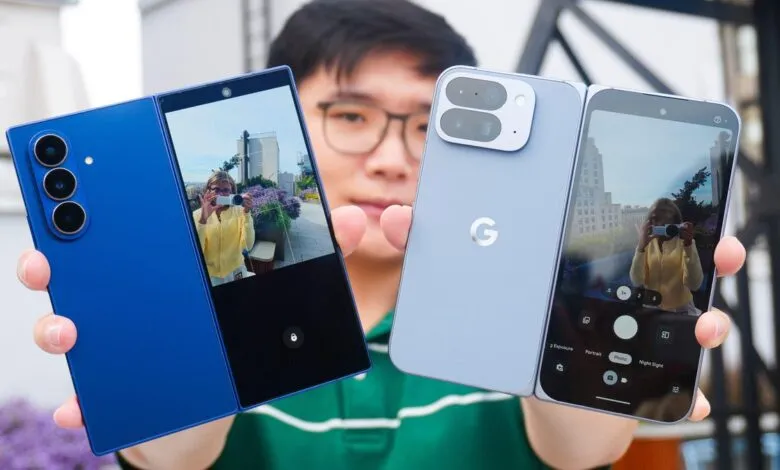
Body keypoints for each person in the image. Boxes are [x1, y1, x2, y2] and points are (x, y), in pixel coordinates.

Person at [16, 1, 746, 469]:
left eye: (431, 126)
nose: (394, 158)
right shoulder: (227, 294)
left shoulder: (509, 304)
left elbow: (584, 448)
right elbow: (171, 457)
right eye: (351, 116)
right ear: (284, 118)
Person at [631, 197, 704, 314]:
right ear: (649, 221)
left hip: (681, 309)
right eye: (655, 218)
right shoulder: (647, 243)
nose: (661, 223)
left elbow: (695, 284)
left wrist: (688, 245)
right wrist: (641, 247)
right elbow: (636, 280)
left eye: (667, 218)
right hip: (651, 308)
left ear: (676, 221)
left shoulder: (684, 243)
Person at [193, 171, 254, 286]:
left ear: (232, 192)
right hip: (210, 276)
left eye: (226, 190)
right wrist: (203, 221)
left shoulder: (241, 212)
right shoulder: (197, 215)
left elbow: (248, 246)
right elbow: (197, 252)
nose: (221, 194)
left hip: (236, 271)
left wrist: (247, 214)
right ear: (208, 191)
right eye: (216, 189)